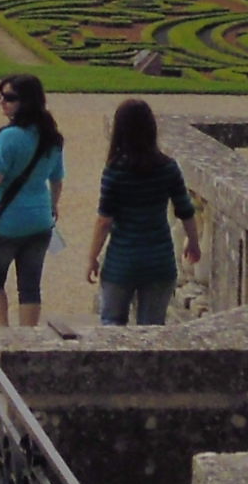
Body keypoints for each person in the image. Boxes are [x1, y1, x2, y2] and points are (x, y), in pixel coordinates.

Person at [84, 98, 203, 326]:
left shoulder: (115, 171)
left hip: (122, 260)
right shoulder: (168, 168)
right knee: (152, 331)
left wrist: (92, 258)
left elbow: (104, 221)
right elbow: (185, 211)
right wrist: (194, 242)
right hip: (158, 260)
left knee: (112, 328)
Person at [0, 74, 64, 328]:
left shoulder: (9, 137)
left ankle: (3, 337)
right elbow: (57, 179)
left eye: (9, 98)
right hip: (40, 221)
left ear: (27, 101)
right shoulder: (51, 136)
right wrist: (53, 206)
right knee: (30, 286)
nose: (2, 101)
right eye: (1, 96)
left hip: (7, 223)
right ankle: (28, 340)